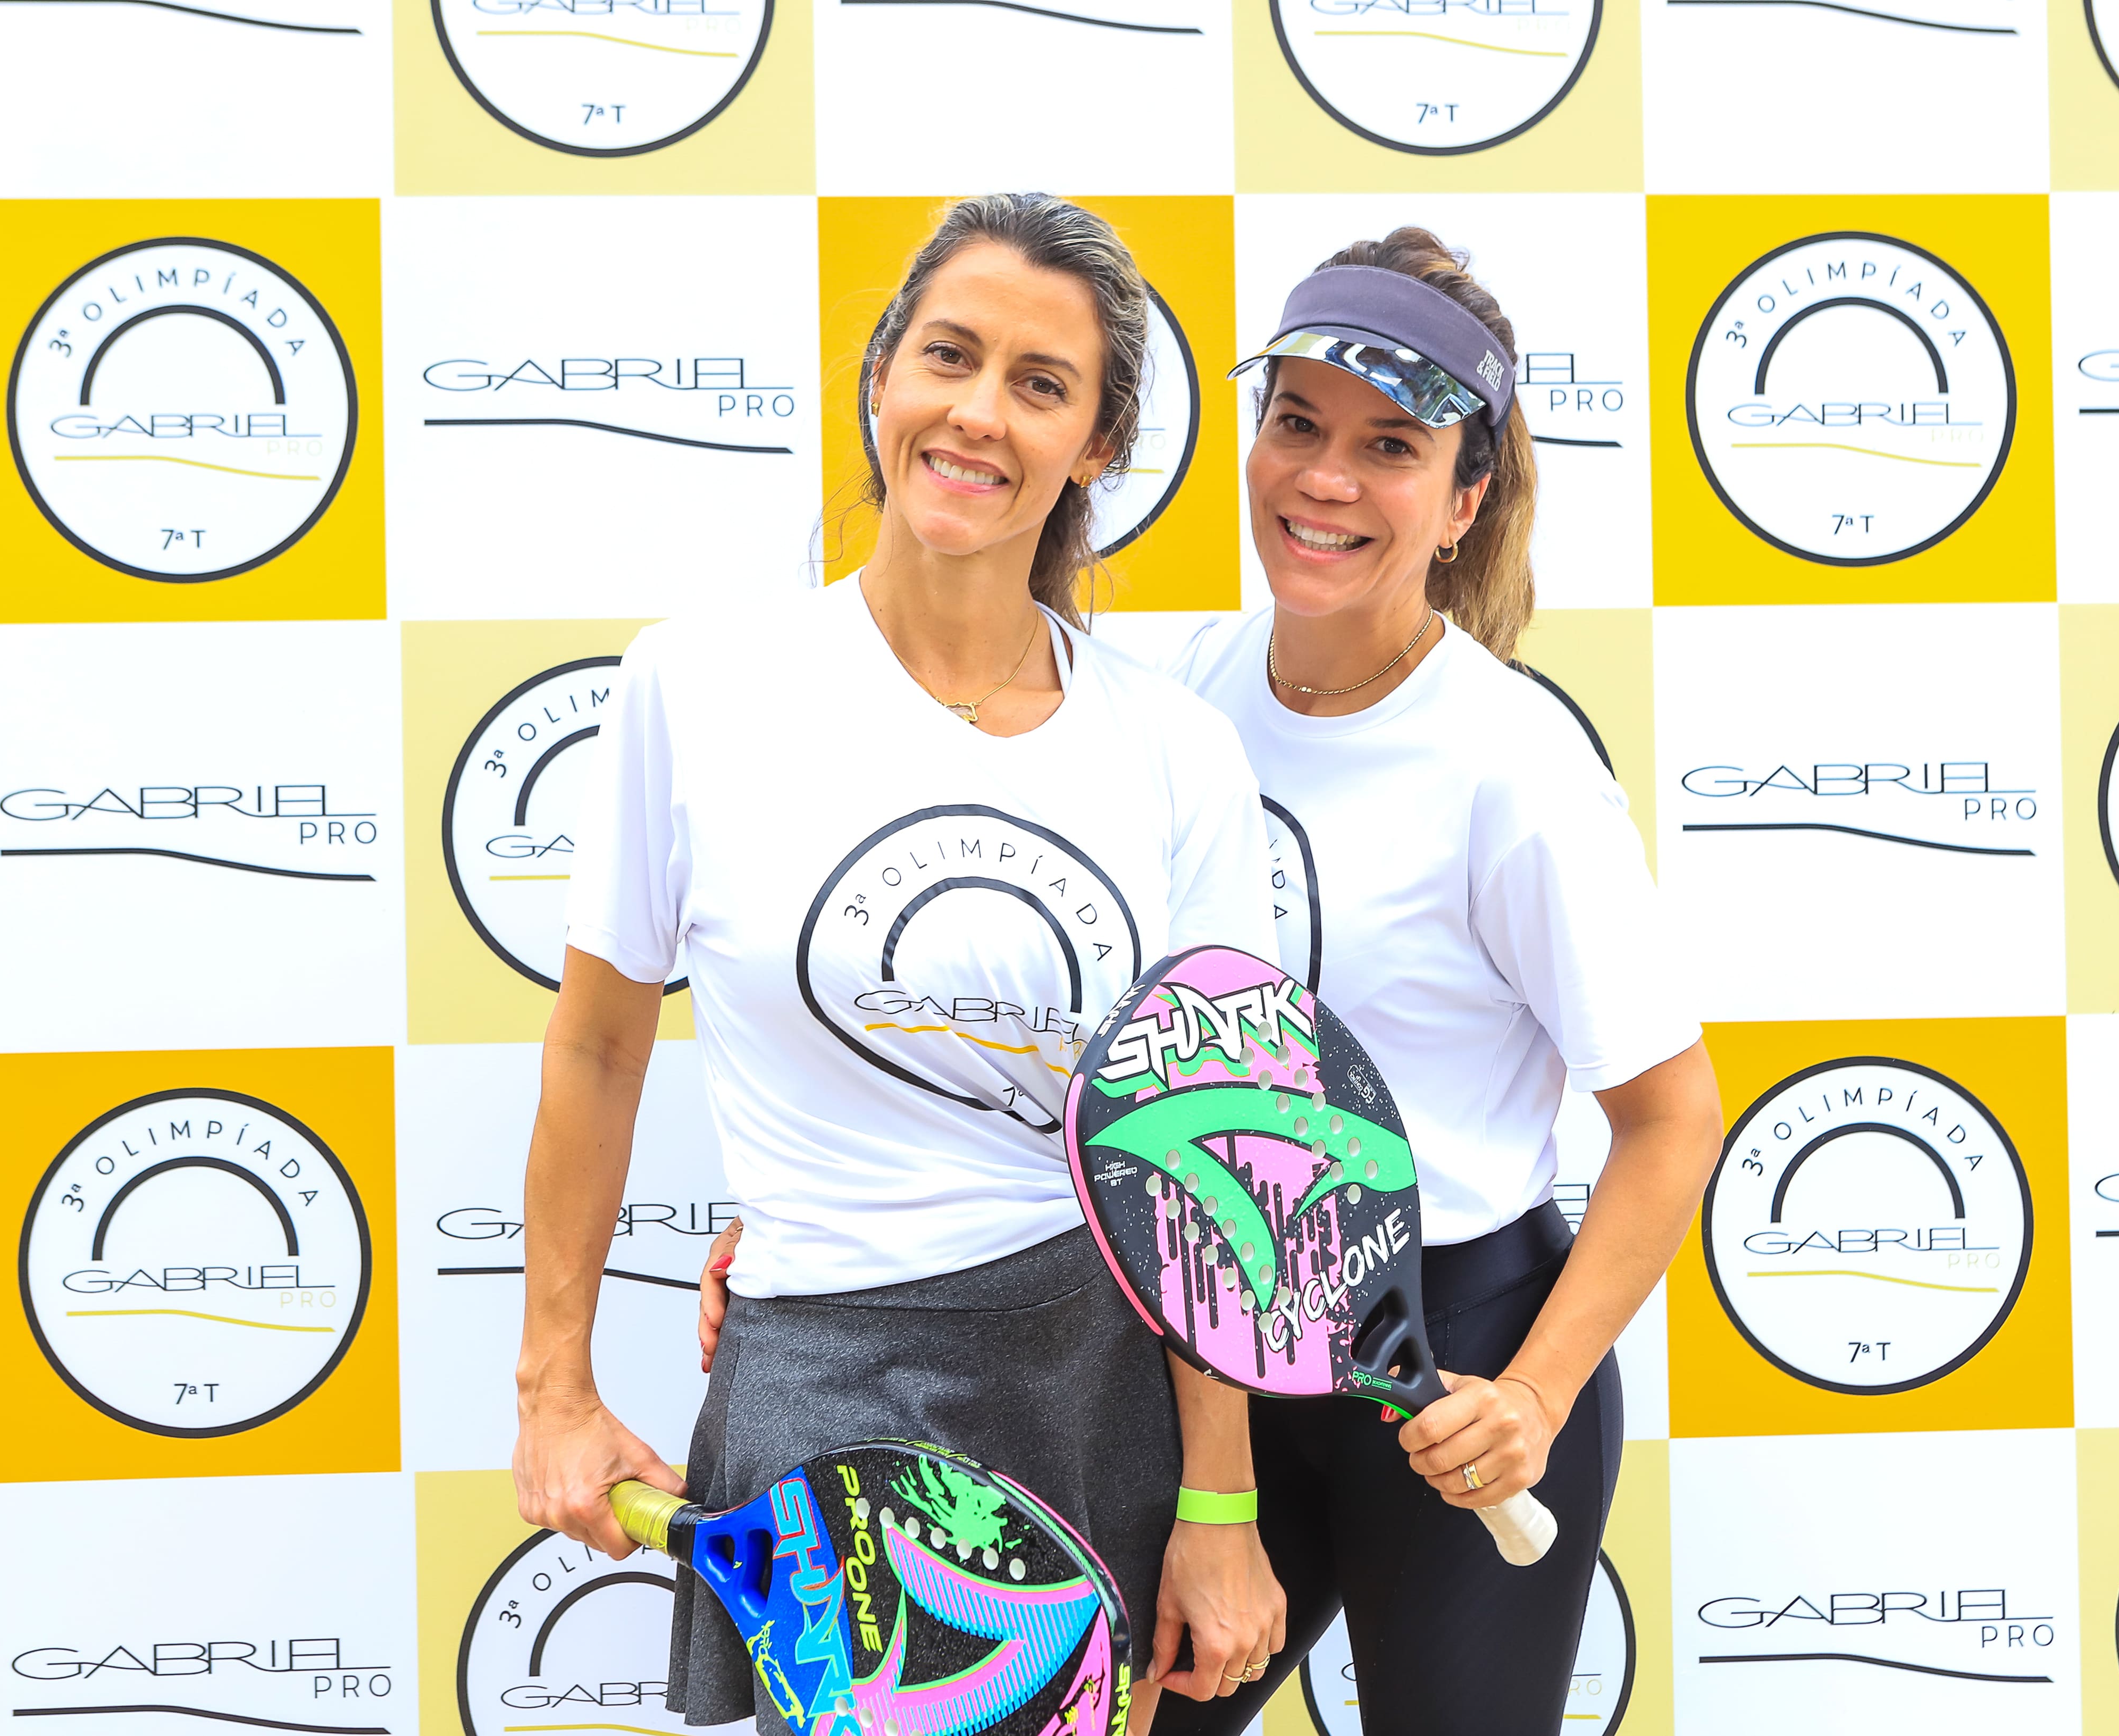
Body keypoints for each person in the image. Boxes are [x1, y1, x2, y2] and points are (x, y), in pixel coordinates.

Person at [509, 192, 1289, 1733]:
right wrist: (554, 1385)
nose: (978, 411)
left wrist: (1221, 1499)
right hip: (817, 1372)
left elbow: (1209, 1160)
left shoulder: (1177, 750)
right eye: (949, 354)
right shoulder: (698, 683)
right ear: (880, 377)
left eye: (1040, 383)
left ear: (1098, 445)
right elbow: (597, 1046)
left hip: (1093, 1377)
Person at [1145, 229, 1724, 1733]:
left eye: (1390, 447)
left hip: (1456, 1360)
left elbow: (1672, 1119)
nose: (1325, 478)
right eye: (1297, 424)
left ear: (1466, 500)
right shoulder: (1178, 700)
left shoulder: (1513, 766)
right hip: (1222, 1354)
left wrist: (1532, 1397)